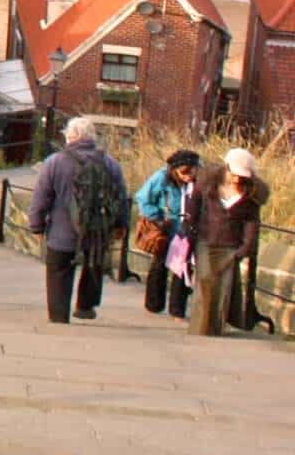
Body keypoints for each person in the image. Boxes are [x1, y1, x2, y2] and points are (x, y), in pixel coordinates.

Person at [27, 116, 130, 323]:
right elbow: (121, 197)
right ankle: (85, 306)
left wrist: (36, 225)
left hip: (62, 231)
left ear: (70, 137)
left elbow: (41, 197)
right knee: (94, 265)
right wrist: (121, 224)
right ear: (92, 137)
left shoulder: (55, 162)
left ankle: (58, 314)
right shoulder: (110, 163)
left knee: (58, 272)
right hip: (97, 230)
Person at [186, 149, 262, 337]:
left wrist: (244, 248)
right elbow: (193, 205)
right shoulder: (207, 183)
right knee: (204, 281)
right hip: (205, 239)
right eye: (235, 174)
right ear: (227, 168)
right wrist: (189, 227)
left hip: (230, 244)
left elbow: (252, 224)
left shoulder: (251, 195)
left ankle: (216, 327)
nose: (238, 179)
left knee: (224, 287)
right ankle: (201, 327)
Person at [134, 150, 199, 319]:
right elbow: (142, 199)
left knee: (183, 270)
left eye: (192, 171)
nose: (188, 176)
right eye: (184, 172)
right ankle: (154, 304)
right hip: (166, 229)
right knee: (159, 266)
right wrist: (157, 217)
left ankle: (177, 310)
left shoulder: (198, 183)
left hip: (186, 232)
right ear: (174, 170)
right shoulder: (161, 178)